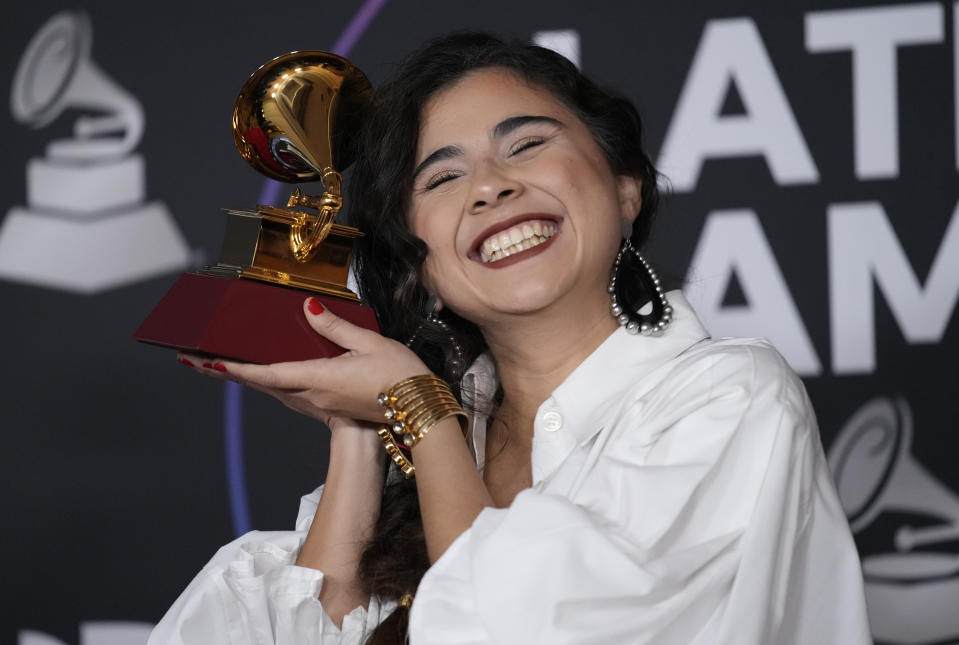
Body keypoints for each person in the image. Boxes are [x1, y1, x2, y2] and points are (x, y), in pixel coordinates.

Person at [150, 33, 871, 645]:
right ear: (421, 263)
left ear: (627, 188)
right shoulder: (434, 443)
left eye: (524, 145)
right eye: (443, 177)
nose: (489, 187)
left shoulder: (732, 400)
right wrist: (357, 431)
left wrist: (416, 402)